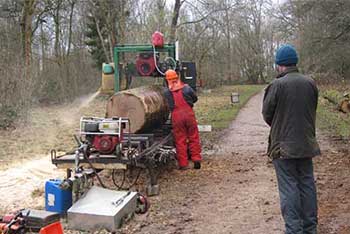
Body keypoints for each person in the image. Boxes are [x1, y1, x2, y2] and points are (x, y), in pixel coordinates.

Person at [262, 44, 321, 234]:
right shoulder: (310, 83)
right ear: (295, 63)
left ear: (279, 65)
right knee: (307, 185)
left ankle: (294, 230)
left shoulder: (276, 85)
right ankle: (310, 228)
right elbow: (312, 108)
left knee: (289, 189)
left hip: (283, 148)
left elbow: (267, 114)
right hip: (306, 144)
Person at [163, 69, 202, 170]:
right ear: (177, 77)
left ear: (167, 80)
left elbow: (168, 105)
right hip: (189, 114)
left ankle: (183, 164)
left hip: (176, 116)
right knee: (193, 136)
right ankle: (196, 159)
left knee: (180, 140)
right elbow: (195, 98)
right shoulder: (186, 88)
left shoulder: (167, 92)